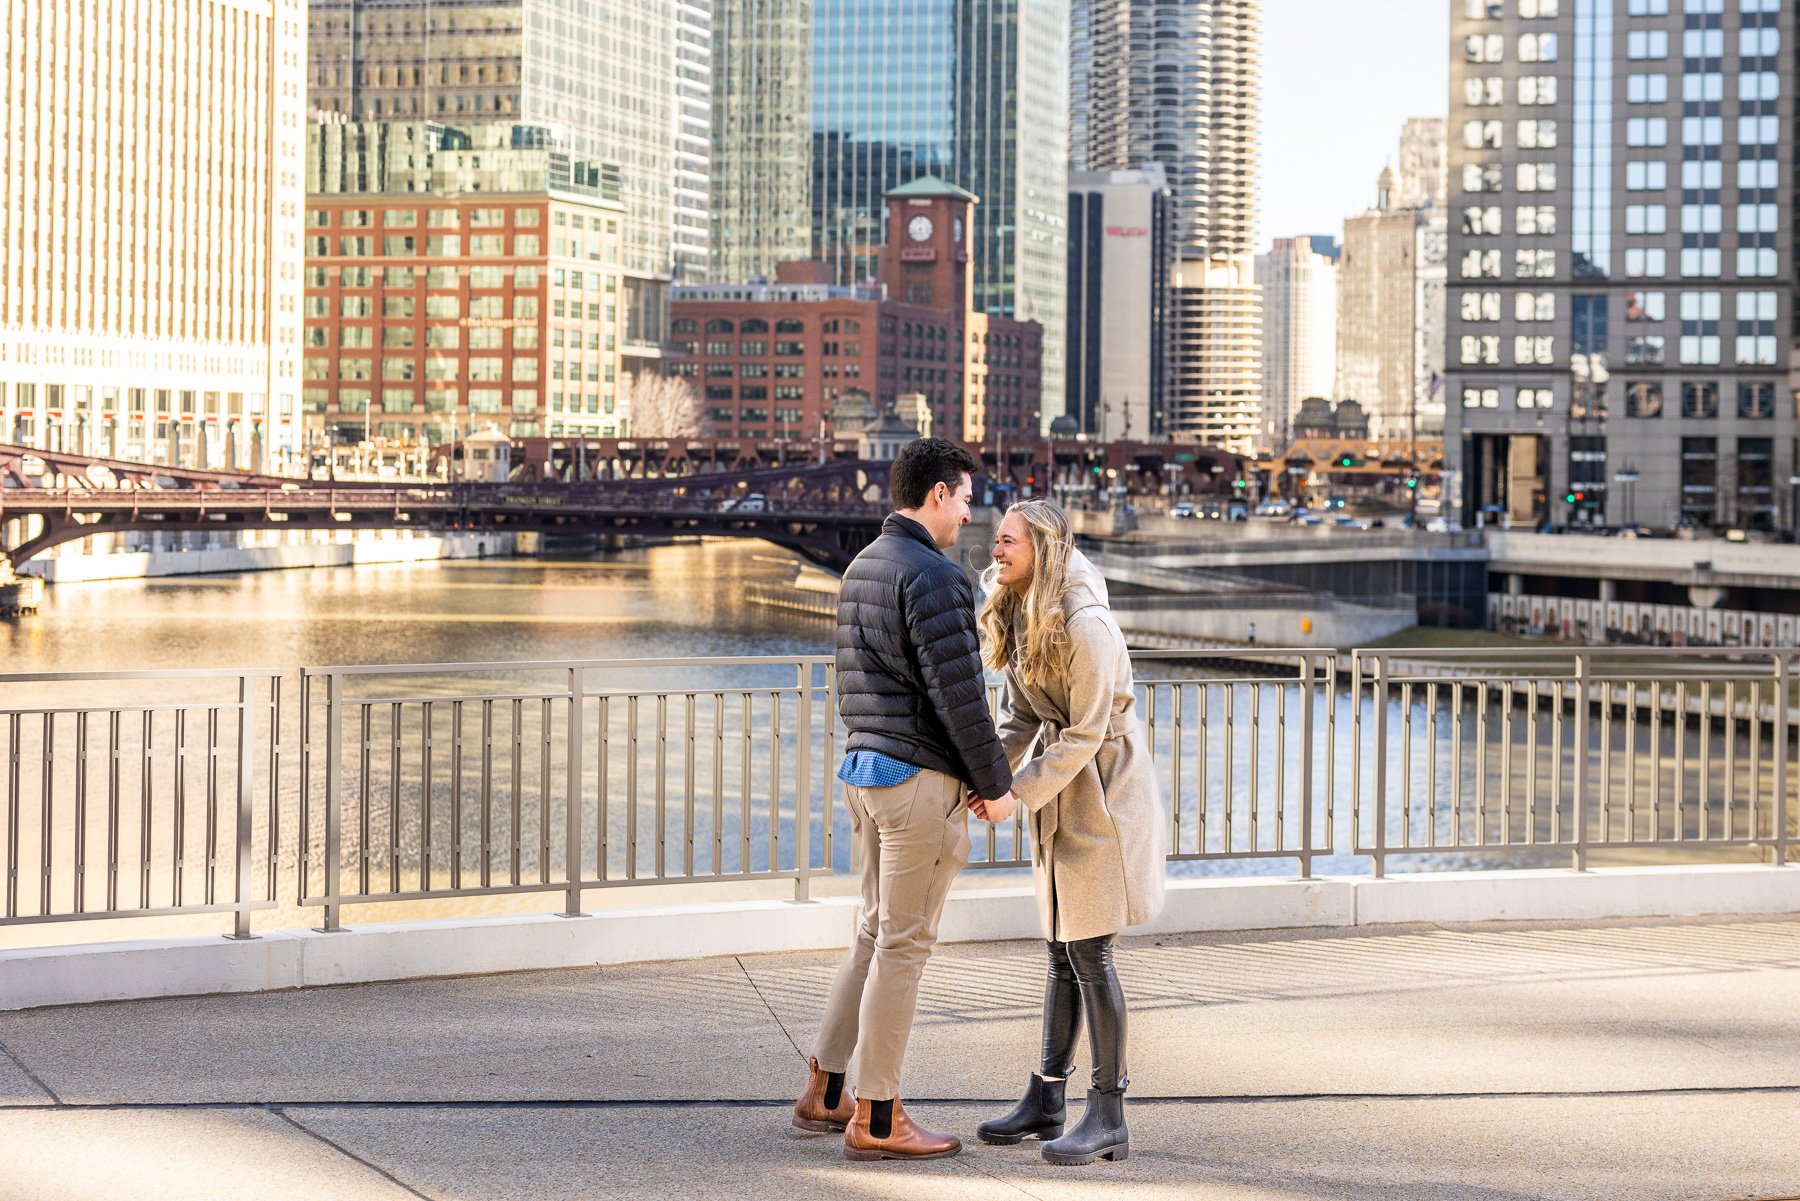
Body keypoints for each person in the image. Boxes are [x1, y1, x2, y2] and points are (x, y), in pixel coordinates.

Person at [791, 437, 1019, 1162]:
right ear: (938, 495)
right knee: (904, 944)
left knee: (872, 931)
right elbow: (962, 698)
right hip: (917, 782)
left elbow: (851, 681)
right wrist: (996, 786)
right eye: (964, 497)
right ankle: (879, 1115)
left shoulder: (861, 565)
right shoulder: (936, 577)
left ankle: (827, 1090)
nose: (969, 512)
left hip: (864, 772)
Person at [969, 498, 1166, 1166]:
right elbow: (1019, 717)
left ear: (1044, 549)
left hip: (1105, 799)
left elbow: (1083, 733)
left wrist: (1017, 792)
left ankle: (1108, 1112)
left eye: (1008, 542)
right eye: (995, 541)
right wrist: (990, 779)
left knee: (1090, 953)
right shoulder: (1024, 612)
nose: (995, 551)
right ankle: (1047, 1097)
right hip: (1065, 797)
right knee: (1060, 947)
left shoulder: (1086, 624)